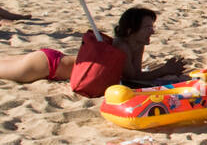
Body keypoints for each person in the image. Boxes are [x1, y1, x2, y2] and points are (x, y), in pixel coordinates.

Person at [0, 7, 184, 86]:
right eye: (147, 27)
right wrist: (164, 69)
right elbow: (134, 77)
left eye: (152, 27)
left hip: (53, 61)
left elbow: (136, 74)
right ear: (130, 30)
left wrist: (164, 71)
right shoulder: (122, 47)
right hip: (44, 67)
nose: (152, 31)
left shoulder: (135, 44)